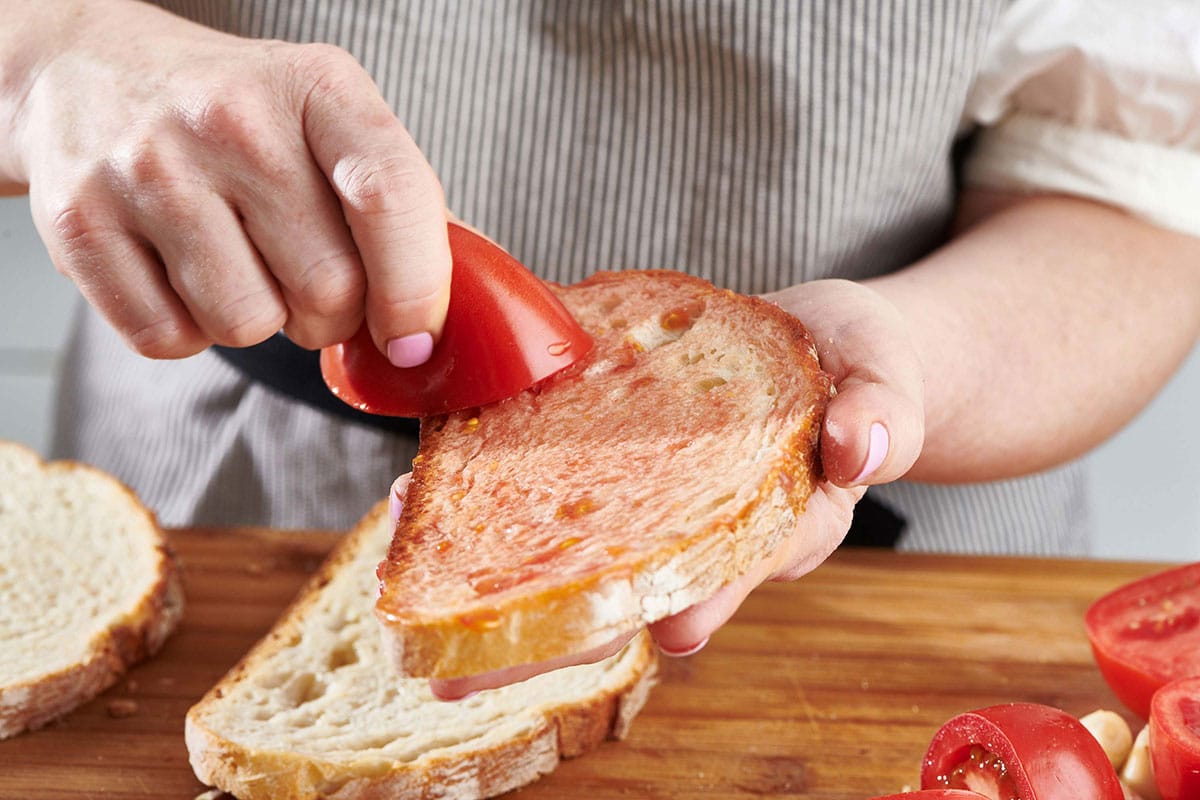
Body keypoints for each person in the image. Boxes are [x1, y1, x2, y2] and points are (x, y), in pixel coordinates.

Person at [2, 0, 1197, 695]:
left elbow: (1135, 192)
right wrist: (52, 55)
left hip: (885, 568)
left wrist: (910, 363)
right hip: (229, 495)